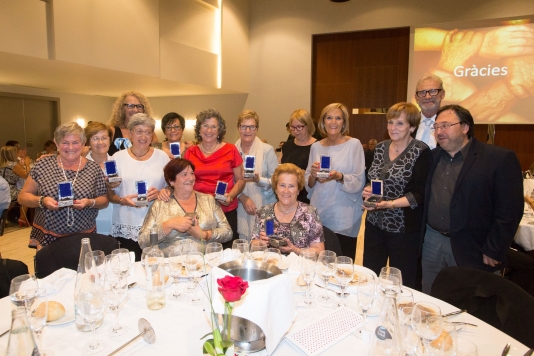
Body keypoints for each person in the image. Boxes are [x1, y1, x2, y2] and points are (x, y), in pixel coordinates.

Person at [421, 104, 524, 294]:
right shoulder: (431, 157)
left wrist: (495, 248)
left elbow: (509, 211)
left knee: (473, 306)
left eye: (445, 125)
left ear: (465, 127)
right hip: (432, 242)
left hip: (474, 247)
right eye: (436, 127)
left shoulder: (498, 159)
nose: (439, 131)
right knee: (431, 298)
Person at [362, 103, 432, 289]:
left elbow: (420, 194)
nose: (393, 128)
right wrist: (368, 190)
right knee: (370, 276)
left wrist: (390, 204)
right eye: (391, 122)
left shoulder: (421, 151)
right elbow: (371, 179)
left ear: (413, 127)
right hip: (375, 223)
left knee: (402, 282)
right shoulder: (379, 148)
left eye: (400, 124)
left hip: (404, 229)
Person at [17, 122, 108, 249]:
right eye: (65, 142)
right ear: (56, 142)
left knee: (82, 267)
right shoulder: (43, 164)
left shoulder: (93, 168)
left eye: (75, 142)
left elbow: (104, 200)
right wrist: (42, 201)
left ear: (83, 143)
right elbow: (22, 197)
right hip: (48, 236)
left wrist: (89, 202)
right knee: (50, 268)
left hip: (84, 235)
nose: (70, 147)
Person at [305, 103, 366, 258]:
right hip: (320, 210)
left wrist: (339, 176)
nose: (333, 122)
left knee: (342, 262)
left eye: (338, 118)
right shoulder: (316, 147)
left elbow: (359, 179)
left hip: (344, 214)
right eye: (329, 117)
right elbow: (308, 185)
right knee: (319, 260)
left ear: (344, 122)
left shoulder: (354, 144)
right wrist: (312, 175)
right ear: (323, 122)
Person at [107, 113, 169, 260]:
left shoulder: (162, 157)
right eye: (139, 131)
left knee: (156, 268)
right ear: (130, 133)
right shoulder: (117, 157)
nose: (143, 136)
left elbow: (172, 188)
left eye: (148, 132)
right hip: (126, 223)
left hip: (155, 224)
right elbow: (110, 194)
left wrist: (162, 191)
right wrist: (122, 199)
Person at [138, 159, 232, 254]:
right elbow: (143, 241)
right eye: (184, 175)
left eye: (192, 173)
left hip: (205, 263)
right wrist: (169, 225)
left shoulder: (208, 200)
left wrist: (204, 234)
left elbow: (227, 232)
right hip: (171, 265)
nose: (191, 178)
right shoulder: (160, 204)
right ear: (171, 181)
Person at [183, 108, 245, 249]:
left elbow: (241, 180)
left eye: (213, 126)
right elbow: (184, 180)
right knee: (200, 250)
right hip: (199, 211)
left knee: (227, 251)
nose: (209, 130)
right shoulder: (191, 152)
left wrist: (231, 195)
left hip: (225, 208)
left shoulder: (230, 149)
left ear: (219, 130)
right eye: (205, 125)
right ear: (199, 129)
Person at [252, 163, 325, 255]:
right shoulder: (264, 212)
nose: (286, 191)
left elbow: (319, 250)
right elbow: (253, 244)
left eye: (291, 186)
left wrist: (296, 251)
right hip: (271, 265)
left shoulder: (310, 213)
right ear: (275, 188)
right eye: (282, 185)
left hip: (300, 266)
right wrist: (260, 243)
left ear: (298, 190)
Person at [234, 110, 278, 240]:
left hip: (268, 210)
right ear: (238, 128)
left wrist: (259, 180)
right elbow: (230, 181)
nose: (247, 130)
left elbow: (277, 182)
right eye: (243, 126)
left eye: (252, 127)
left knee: (269, 244)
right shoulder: (231, 151)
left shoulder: (267, 150)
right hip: (241, 209)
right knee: (244, 246)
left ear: (257, 129)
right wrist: (242, 197)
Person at [280, 109, 317, 204]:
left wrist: (305, 173)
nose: (295, 131)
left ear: (308, 126)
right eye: (292, 127)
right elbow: (280, 169)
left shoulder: (317, 146)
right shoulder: (287, 146)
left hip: (308, 197)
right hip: (287, 196)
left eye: (299, 127)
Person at [84, 121, 114, 235]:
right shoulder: (81, 165)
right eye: (95, 138)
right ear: (88, 142)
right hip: (91, 221)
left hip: (115, 219)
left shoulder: (117, 161)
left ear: (109, 140)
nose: (100, 142)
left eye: (104, 138)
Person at [107, 91, 158, 156]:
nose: (136, 110)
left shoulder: (151, 134)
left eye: (139, 106)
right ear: (122, 108)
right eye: (130, 106)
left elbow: (156, 155)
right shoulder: (112, 131)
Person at [414, 74, 445, 150]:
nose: (427, 97)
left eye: (433, 91)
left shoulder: (451, 125)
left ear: (442, 94)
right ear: (416, 98)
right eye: (422, 92)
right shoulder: (409, 122)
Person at [1, 146, 29, 226]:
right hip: (9, 190)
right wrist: (27, 164)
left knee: (14, 198)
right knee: (26, 194)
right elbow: (27, 176)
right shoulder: (13, 165)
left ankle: (4, 217)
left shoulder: (2, 164)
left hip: (2, 189)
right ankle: (22, 218)